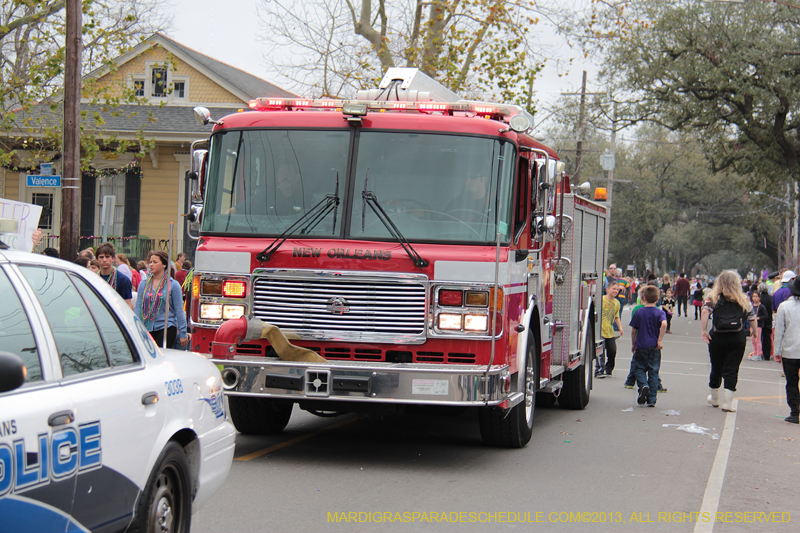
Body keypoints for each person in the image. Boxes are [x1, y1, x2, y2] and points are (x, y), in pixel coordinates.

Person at [700, 270, 757, 412]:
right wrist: (754, 332)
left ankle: (714, 398)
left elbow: (705, 311)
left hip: (717, 336)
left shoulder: (713, 297)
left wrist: (704, 330)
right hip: (737, 337)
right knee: (732, 369)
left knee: (716, 366)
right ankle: (727, 403)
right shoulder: (743, 298)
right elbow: (752, 317)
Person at [136, 251, 188, 349]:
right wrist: (135, 327)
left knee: (162, 355)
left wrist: (183, 333)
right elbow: (138, 307)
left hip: (166, 327)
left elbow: (179, 310)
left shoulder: (173, 285)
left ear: (164, 264)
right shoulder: (144, 284)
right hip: (147, 326)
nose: (151, 265)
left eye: (155, 262)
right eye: (150, 262)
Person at [629, 285, 667, 407]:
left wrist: (633, 344)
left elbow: (633, 330)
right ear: (657, 299)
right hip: (654, 345)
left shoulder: (639, 312)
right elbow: (664, 324)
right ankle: (652, 399)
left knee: (639, 368)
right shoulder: (660, 312)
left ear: (643, 298)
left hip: (641, 345)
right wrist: (660, 340)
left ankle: (643, 385)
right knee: (653, 371)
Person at [773, 276, 800, 424]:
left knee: (791, 381)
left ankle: (795, 412)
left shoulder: (784, 306)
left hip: (790, 351)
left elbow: (779, 331)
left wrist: (777, 351)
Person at [96, 242, 133, 309]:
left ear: (113, 259)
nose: (104, 260)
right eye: (101, 257)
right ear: (96, 260)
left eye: (107, 257)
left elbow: (127, 304)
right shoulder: (93, 278)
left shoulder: (123, 280)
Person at [599, 281, 623, 378]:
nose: (616, 291)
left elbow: (616, 316)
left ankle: (609, 369)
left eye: (617, 289)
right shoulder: (601, 300)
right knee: (601, 352)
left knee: (612, 350)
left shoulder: (617, 303)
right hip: (600, 330)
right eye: (613, 289)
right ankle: (599, 370)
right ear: (607, 289)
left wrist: (620, 327)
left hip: (610, 331)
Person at [748, 292, 767, 361]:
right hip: (752, 324)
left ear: (759, 298)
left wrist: (759, 318)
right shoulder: (751, 306)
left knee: (757, 339)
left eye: (756, 296)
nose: (755, 298)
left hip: (758, 325)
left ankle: (759, 354)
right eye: (753, 296)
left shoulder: (761, 306)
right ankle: (755, 352)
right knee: (753, 340)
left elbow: (765, 315)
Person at [758, 283, 774, 361]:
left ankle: (759, 353)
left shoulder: (759, 299)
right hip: (769, 320)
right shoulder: (771, 298)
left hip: (760, 320)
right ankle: (767, 355)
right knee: (767, 337)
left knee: (759, 337)